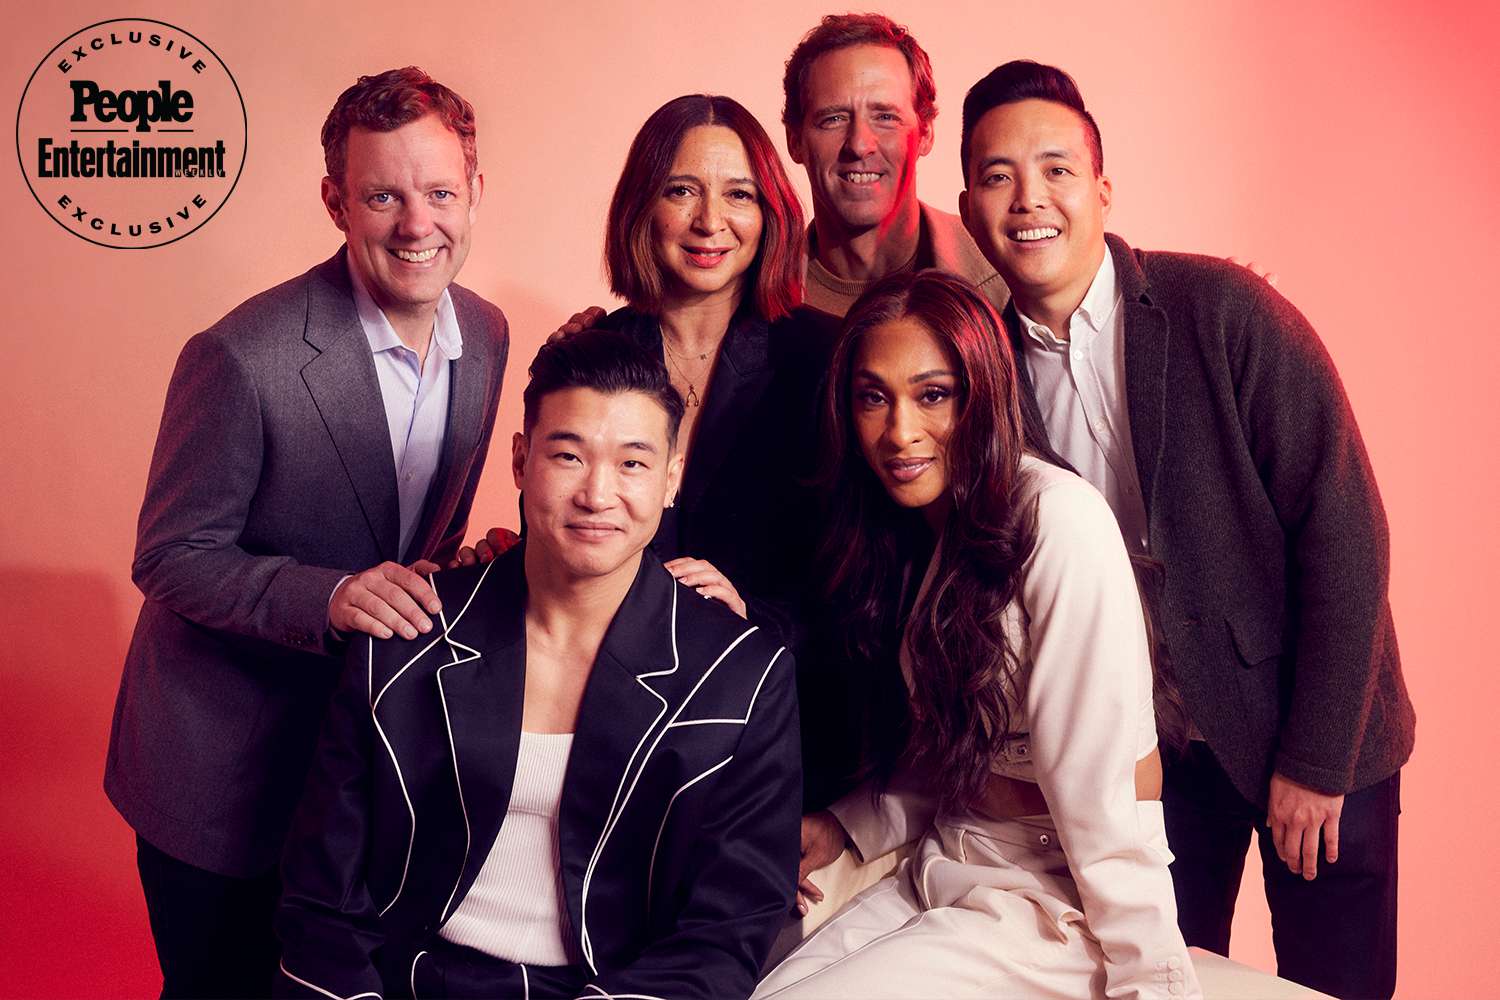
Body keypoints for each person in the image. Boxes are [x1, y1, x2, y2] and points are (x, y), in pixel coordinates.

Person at [957, 60, 1414, 999]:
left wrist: (1317, 760)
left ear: (1102, 190)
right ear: (967, 207)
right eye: (998, 176)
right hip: (1155, 753)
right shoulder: (980, 377)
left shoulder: (1223, 308)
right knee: (1171, 979)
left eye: (1056, 169)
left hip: (1315, 720)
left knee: (1340, 987)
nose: (1029, 198)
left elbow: (1347, 529)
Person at [104, 67, 509, 997]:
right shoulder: (240, 356)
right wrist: (329, 595)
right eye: (382, 196)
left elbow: (410, 533)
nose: (418, 225)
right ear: (336, 201)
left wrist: (457, 568)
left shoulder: (486, 336)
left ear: (475, 192)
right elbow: (169, 554)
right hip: (216, 781)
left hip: (361, 769)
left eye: (441, 192)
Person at [275, 329, 801, 999]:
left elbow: (722, 937)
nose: (597, 494)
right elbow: (324, 898)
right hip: (407, 982)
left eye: (633, 464)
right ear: (521, 461)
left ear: (671, 477)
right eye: (568, 456)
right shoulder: (407, 630)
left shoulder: (745, 676)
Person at [755, 269, 1200, 999]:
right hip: (949, 860)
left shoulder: (1059, 522)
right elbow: (958, 752)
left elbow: (1102, 796)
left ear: (983, 393)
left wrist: (1153, 980)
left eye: (933, 395)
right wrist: (845, 823)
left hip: (1051, 897)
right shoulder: (918, 531)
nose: (900, 432)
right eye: (874, 397)